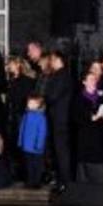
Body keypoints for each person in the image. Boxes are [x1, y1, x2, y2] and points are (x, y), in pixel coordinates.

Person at [73, 70, 103, 185]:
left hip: (99, 138)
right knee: (85, 167)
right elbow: (75, 117)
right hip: (86, 138)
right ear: (84, 82)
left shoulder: (101, 97)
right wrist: (90, 117)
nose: (94, 82)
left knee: (100, 169)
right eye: (91, 79)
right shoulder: (78, 98)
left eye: (95, 79)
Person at [44, 51, 73, 189]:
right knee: (59, 150)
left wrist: (46, 96)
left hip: (61, 118)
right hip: (58, 117)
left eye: (52, 59)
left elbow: (52, 95)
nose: (50, 62)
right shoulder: (60, 75)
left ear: (58, 60)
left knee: (61, 151)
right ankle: (62, 180)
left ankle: (65, 182)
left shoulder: (62, 76)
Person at [17, 94, 48, 189]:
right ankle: (30, 181)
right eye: (29, 102)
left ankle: (36, 182)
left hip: (36, 148)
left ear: (38, 104)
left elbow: (42, 132)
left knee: (37, 165)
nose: (29, 104)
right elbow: (22, 129)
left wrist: (39, 145)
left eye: (32, 103)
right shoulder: (26, 115)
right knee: (28, 165)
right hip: (26, 146)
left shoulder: (41, 117)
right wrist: (20, 141)